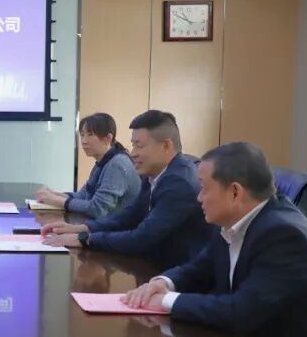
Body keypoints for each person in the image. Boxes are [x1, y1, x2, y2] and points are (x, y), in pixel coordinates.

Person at [121, 142, 307, 337]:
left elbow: (241, 311)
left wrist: (165, 301)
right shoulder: (233, 222)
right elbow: (200, 269)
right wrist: (164, 283)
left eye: (204, 188)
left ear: (234, 192)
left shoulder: (284, 235)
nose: (198, 197)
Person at [43, 110, 213, 267]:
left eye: (139, 146)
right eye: (133, 145)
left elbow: (141, 238)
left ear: (166, 146)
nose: (132, 153)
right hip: (154, 264)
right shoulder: (154, 172)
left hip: (175, 272)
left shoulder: (179, 182)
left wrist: (85, 239)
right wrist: (83, 228)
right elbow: (128, 217)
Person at [35, 112, 140, 218]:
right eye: (82, 135)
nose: (84, 141)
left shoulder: (117, 164)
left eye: (90, 134)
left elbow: (98, 209)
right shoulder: (103, 161)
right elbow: (84, 195)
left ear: (108, 138)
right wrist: (55, 195)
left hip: (120, 227)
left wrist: (57, 201)